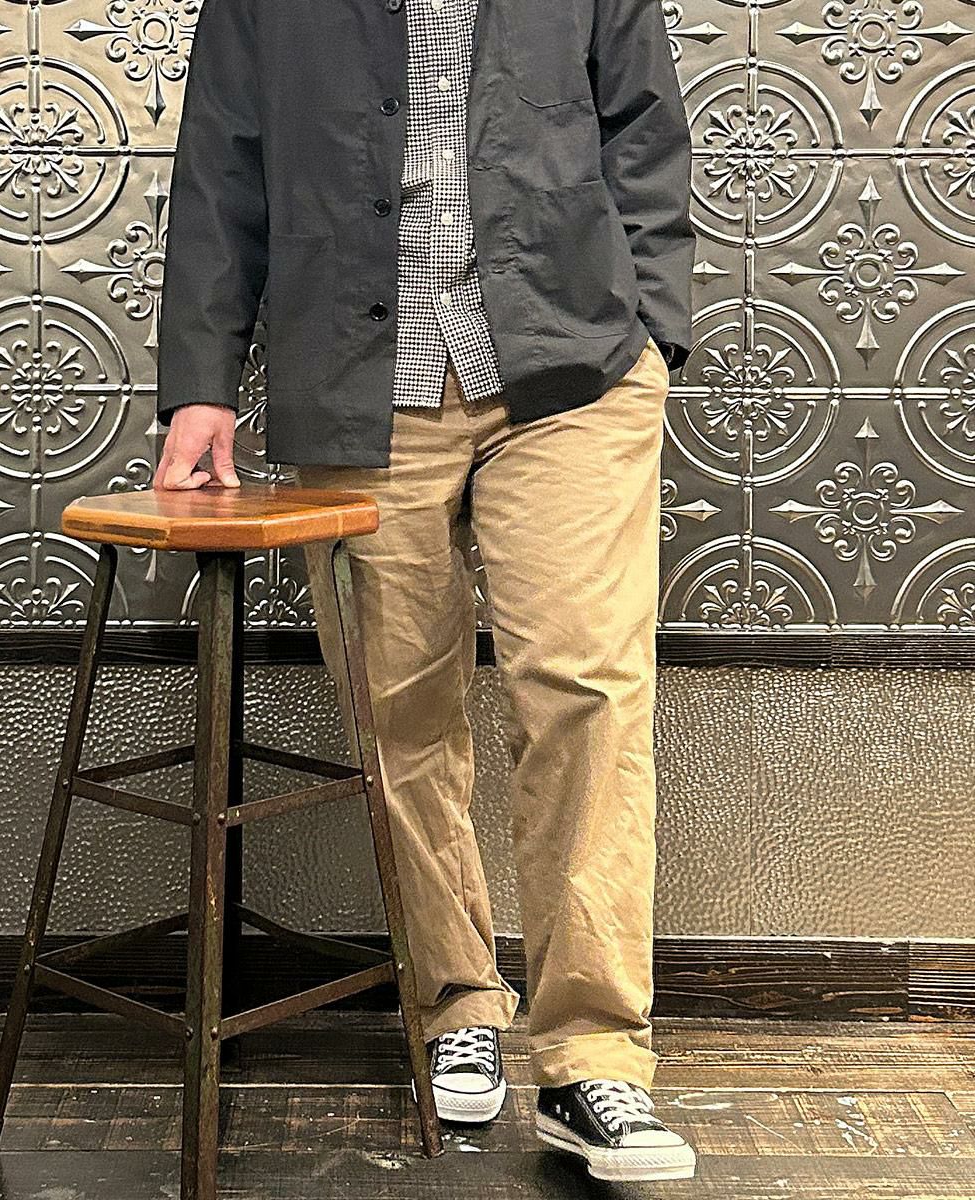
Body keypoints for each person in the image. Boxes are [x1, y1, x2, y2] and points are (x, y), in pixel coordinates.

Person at [154, 0, 697, 1183]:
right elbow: (220, 165)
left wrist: (654, 331)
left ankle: (593, 1056)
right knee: (397, 709)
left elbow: (645, 131)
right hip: (358, 377)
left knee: (587, 690)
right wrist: (200, 381)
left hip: (570, 371)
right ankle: (455, 1004)